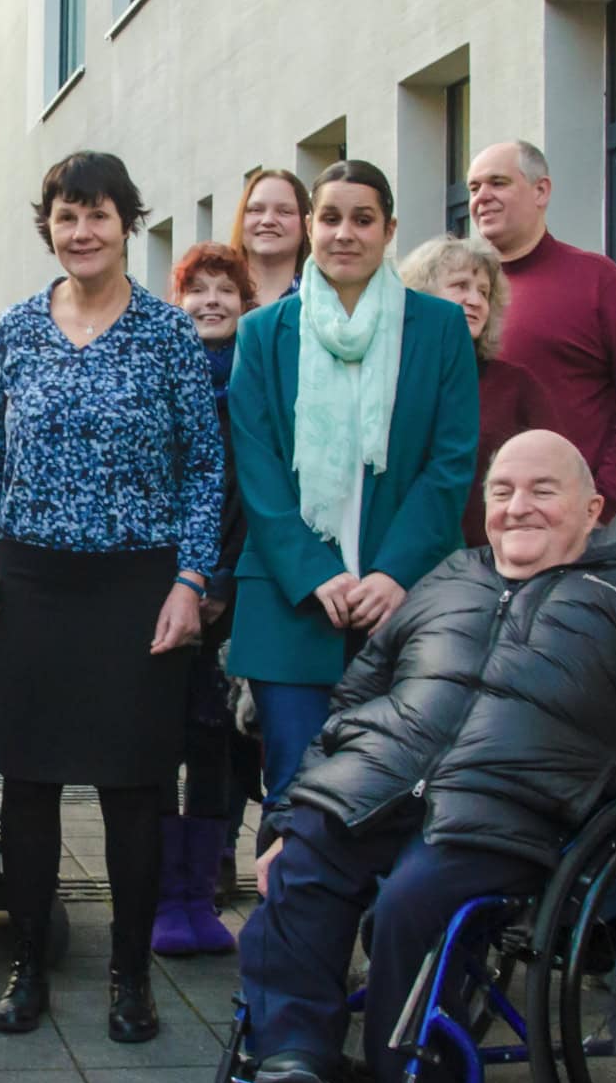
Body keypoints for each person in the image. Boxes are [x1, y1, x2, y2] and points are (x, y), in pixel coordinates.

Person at [240, 429, 616, 1083]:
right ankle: (290, 1044)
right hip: (383, 783)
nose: (518, 506)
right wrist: (287, 811)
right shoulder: (448, 579)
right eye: (502, 490)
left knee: (417, 900)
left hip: (522, 812)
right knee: (308, 850)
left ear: (593, 507)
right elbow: (352, 705)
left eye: (542, 490)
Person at [0, 151, 224, 1042]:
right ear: (50, 227)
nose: (83, 232)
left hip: (136, 582)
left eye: (99, 216)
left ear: (126, 224)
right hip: (33, 579)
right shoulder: (22, 331)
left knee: (133, 789)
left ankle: (128, 977)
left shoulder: (167, 333)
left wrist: (191, 578)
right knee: (27, 787)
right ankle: (29, 966)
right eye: (68, 217)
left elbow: (206, 465)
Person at [228, 159, 480, 818]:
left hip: (408, 598)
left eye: (362, 219)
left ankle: (385, 925)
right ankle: (298, 923)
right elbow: (256, 471)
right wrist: (317, 574)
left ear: (389, 228)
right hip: (291, 602)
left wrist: (394, 572)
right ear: (310, 226)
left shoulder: (441, 328)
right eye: (331, 217)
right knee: (294, 790)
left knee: (402, 793)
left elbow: (450, 464)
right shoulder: (261, 334)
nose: (345, 233)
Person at [466, 140, 616, 536]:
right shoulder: (461, 292)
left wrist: (603, 497)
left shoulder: (596, 282)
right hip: (473, 532)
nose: (483, 198)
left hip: (572, 525)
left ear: (541, 190)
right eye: (474, 188)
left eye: (498, 183)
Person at [152, 240, 259, 957]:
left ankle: (204, 889)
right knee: (162, 740)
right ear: (178, 301)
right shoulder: (163, 377)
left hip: (235, 589)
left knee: (215, 743)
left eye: (226, 290)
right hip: (165, 588)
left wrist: (221, 580)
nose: (212, 301)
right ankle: (165, 893)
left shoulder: (258, 380)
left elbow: (251, 494)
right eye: (199, 290)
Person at [399, 233, 560, 547]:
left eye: (484, 292)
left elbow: (556, 474)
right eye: (460, 286)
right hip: (400, 563)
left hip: (492, 563)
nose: (475, 300)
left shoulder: (517, 386)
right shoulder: (392, 380)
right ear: (420, 295)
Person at [229, 167, 311, 309]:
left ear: (306, 224)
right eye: (256, 210)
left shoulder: (322, 302)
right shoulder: (212, 302)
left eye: (284, 212)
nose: (268, 220)